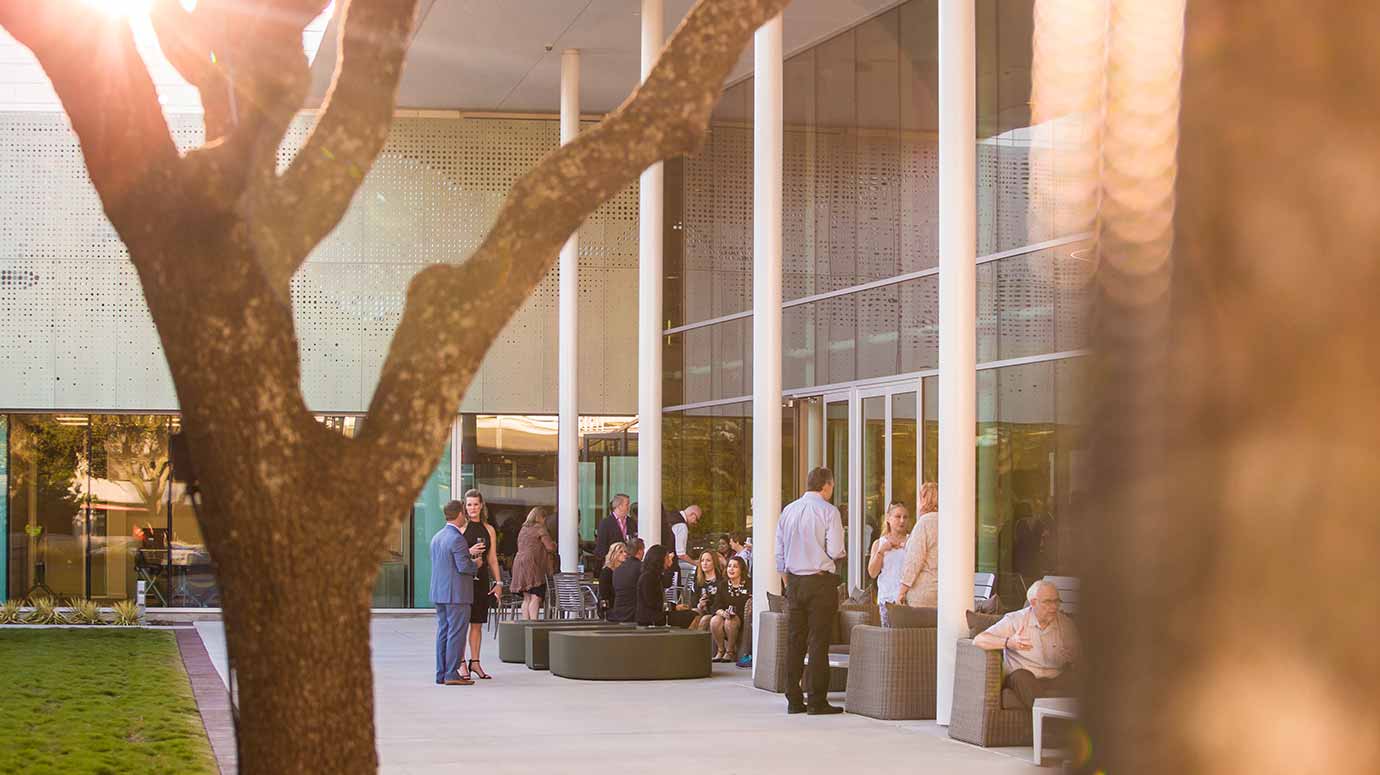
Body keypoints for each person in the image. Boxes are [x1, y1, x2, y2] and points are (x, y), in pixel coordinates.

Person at [775, 466, 846, 715]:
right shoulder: (829, 511)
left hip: (794, 582)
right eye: (832, 486)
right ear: (826, 485)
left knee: (795, 641)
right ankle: (816, 700)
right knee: (818, 642)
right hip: (820, 581)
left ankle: (793, 699)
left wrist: (788, 584)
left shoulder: (788, 511)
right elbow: (836, 550)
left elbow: (779, 554)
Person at [974, 580, 1080, 708]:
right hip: (1024, 678)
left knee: (1079, 677)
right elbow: (979, 639)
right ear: (1033, 603)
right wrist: (1009, 642)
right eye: (1048, 602)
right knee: (1022, 676)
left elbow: (1079, 656)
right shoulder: (1015, 620)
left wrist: (1074, 658)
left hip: (1055, 677)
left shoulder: (1065, 623)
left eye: (1056, 601)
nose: (1054, 607)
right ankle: (1047, 717)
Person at [430, 499, 486, 686]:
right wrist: (476, 565)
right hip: (457, 594)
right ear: (460, 514)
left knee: (443, 632)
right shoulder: (457, 538)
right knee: (456, 633)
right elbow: (464, 567)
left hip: (439, 593)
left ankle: (442, 673)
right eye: (465, 512)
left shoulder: (437, 537)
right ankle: (452, 673)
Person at [459, 489, 501, 680]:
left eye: (475, 504)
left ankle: (475, 662)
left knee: (477, 623)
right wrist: (469, 551)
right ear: (464, 507)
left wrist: (498, 582)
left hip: (482, 579)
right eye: (469, 504)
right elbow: (455, 555)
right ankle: (460, 664)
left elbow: (492, 559)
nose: (472, 508)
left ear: (481, 505)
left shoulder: (489, 529)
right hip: (463, 579)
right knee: (462, 623)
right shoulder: (460, 528)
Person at [510, 506, 556, 620]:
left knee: (526, 598)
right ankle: (534, 625)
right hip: (533, 565)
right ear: (540, 517)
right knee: (536, 597)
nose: (545, 521)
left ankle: (526, 625)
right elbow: (550, 547)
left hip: (519, 565)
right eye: (544, 518)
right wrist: (555, 545)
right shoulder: (540, 528)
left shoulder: (523, 529)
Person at [898, 482, 939, 608]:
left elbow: (914, 561)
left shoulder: (924, 523)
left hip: (923, 592)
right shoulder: (949, 521)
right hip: (944, 591)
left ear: (924, 500)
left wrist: (902, 591)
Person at [868, 501, 911, 613]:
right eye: (898, 517)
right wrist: (881, 552)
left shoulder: (912, 542)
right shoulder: (879, 543)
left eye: (905, 517)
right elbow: (872, 573)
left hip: (908, 599)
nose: (902, 521)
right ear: (888, 519)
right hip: (886, 600)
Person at [709, 555, 751, 663]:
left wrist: (732, 614)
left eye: (735, 567)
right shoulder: (723, 585)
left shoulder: (749, 584)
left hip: (742, 618)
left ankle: (730, 652)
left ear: (741, 570)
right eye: (729, 566)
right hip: (725, 615)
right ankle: (720, 650)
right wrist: (723, 613)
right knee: (715, 620)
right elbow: (716, 606)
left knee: (730, 621)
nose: (731, 569)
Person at [594, 494, 635, 570]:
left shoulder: (631, 522)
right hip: (611, 566)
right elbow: (601, 546)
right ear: (619, 506)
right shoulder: (606, 523)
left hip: (628, 566)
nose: (628, 507)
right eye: (627, 504)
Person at [637, 544, 675, 627]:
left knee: (692, 614)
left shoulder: (656, 575)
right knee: (691, 616)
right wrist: (673, 607)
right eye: (667, 558)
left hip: (657, 614)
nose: (668, 560)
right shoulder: (647, 577)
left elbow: (667, 583)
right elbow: (652, 603)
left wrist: (669, 567)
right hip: (650, 617)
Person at [608, 538, 644, 623]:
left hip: (618, 612)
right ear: (639, 551)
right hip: (635, 613)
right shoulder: (642, 568)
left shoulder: (617, 570)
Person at [689, 550, 724, 630]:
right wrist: (700, 604)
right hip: (701, 610)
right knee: (693, 614)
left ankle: (698, 641)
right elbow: (693, 601)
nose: (704, 563)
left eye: (708, 560)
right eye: (702, 560)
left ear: (714, 562)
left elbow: (720, 603)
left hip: (715, 612)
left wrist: (707, 604)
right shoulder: (698, 581)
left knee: (704, 620)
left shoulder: (721, 582)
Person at [599, 542, 627, 619]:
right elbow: (604, 594)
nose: (625, 554)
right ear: (614, 554)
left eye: (625, 552)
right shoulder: (607, 572)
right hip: (611, 607)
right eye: (621, 552)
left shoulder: (624, 570)